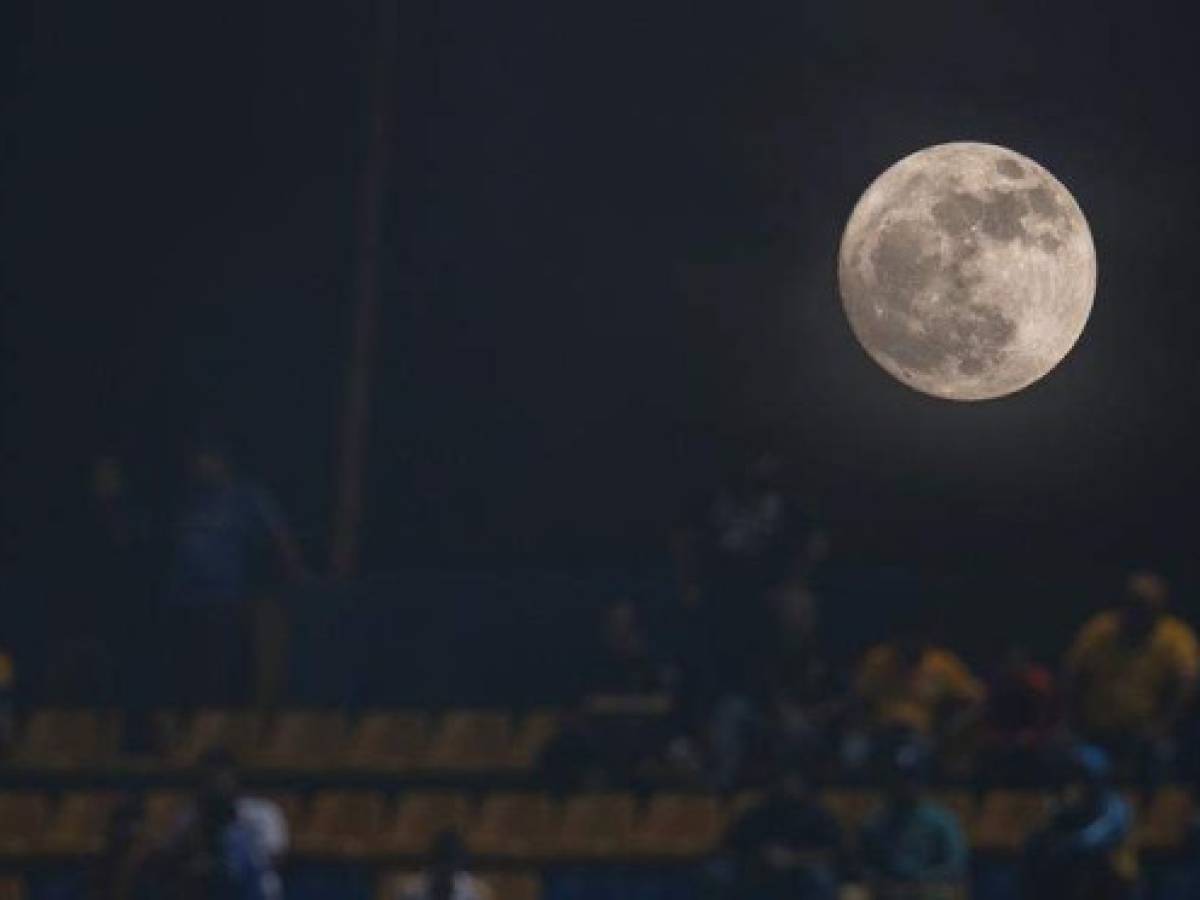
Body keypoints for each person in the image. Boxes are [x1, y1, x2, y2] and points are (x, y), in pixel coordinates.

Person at [163, 433, 307, 706]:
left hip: (223, 601)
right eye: (196, 459)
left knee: (217, 675)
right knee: (184, 675)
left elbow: (280, 538)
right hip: (181, 601)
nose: (199, 465)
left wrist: (295, 575)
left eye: (206, 458)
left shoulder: (246, 497)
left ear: (222, 461)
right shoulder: (188, 501)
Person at [1064, 571, 1199, 778]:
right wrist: (1073, 724)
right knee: (1074, 759)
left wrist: (1162, 726)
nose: (1139, 612)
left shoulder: (1175, 639)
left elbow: (1187, 685)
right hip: (1097, 732)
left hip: (1147, 736)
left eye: (1146, 606)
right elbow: (1072, 676)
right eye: (1134, 604)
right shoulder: (1099, 631)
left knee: (1162, 758)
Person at [848, 629, 984, 774]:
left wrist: (949, 729)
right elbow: (858, 695)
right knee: (854, 752)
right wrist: (864, 725)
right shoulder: (879, 660)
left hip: (921, 735)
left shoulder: (942, 665)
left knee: (910, 760)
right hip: (879, 731)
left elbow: (975, 700)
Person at [161, 748, 287, 900]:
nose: (215, 785)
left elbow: (276, 856)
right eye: (208, 779)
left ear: (234, 778)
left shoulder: (262, 813)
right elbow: (172, 854)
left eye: (220, 778)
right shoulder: (191, 815)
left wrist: (232, 860)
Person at [1022, 744, 1138, 900]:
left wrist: (1071, 844)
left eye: (1078, 778)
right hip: (1067, 870)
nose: (1072, 785)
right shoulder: (1060, 801)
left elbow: (1101, 834)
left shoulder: (1115, 803)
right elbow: (1051, 825)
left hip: (1103, 871)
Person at [710, 767, 843, 900]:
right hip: (757, 869)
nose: (789, 786)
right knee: (719, 871)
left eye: (794, 782)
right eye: (784, 781)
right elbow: (731, 845)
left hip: (802, 869)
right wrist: (761, 855)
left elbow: (832, 852)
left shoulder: (818, 816)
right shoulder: (758, 812)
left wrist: (794, 858)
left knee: (820, 877)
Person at [860, 739, 968, 898]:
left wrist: (921, 881)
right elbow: (865, 863)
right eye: (900, 778)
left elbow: (955, 864)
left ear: (921, 781)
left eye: (911, 779)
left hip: (928, 892)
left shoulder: (941, 820)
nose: (905, 785)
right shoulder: (876, 821)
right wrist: (882, 882)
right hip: (889, 892)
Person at [979, 645, 1060, 784]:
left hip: (1035, 744)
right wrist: (1004, 739)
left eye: (1020, 663)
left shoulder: (1037, 691)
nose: (1017, 668)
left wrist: (1033, 736)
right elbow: (990, 722)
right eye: (1012, 663)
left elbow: (1047, 722)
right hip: (1005, 744)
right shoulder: (1000, 690)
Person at [397, 830, 492, 900]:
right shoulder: (410, 891)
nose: (445, 869)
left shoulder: (476, 892)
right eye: (441, 862)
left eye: (450, 862)